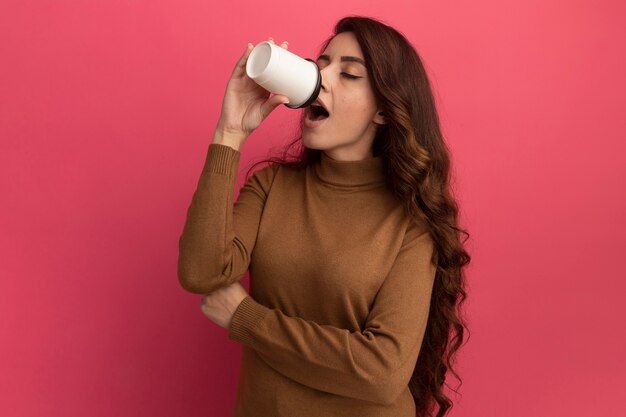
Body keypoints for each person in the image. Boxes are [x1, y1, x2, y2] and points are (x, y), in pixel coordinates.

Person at [178, 15, 471, 417]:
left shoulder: (411, 224)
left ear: (383, 110)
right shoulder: (271, 186)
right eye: (321, 63)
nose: (321, 77)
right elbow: (200, 273)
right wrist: (229, 132)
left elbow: (383, 372)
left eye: (348, 73)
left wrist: (246, 318)